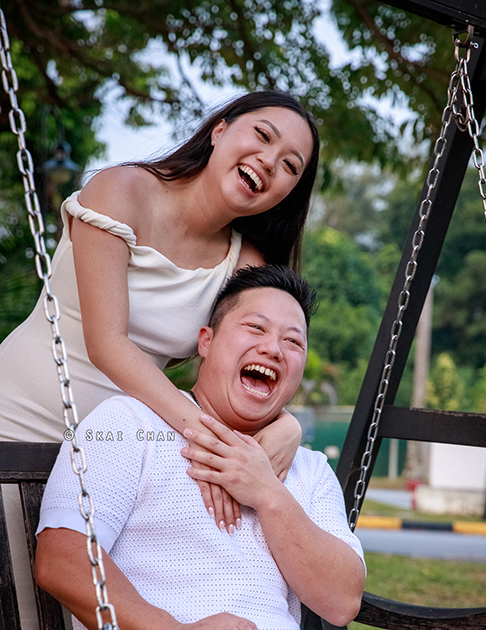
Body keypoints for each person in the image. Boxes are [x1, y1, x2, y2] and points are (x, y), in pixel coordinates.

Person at [35, 265, 486, 630]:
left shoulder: (308, 469)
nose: (274, 348)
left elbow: (341, 600)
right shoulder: (126, 424)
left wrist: (267, 493)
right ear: (206, 342)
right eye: (255, 329)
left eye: (293, 340)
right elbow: (62, 557)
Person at [0, 89, 319, 529]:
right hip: (13, 424)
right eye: (263, 136)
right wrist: (214, 440)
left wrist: (288, 426)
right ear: (219, 130)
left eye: (290, 166)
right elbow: (106, 345)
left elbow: (240, 369)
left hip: (114, 460)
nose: (269, 161)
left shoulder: (245, 266)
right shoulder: (122, 190)